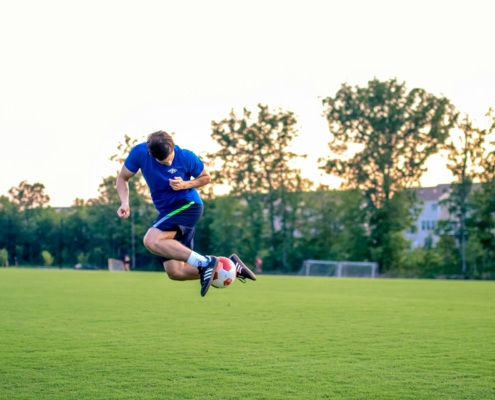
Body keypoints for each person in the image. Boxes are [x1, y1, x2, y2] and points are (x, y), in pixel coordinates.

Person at [116, 131, 256, 296]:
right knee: (176, 272)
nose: (168, 163)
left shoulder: (186, 157)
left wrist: (185, 184)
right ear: (150, 153)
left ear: (173, 146)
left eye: (170, 158)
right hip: (168, 212)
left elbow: (205, 177)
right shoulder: (139, 153)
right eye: (163, 161)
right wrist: (125, 202)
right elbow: (122, 178)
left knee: (150, 240)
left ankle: (206, 263)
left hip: (188, 205)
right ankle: (231, 267)